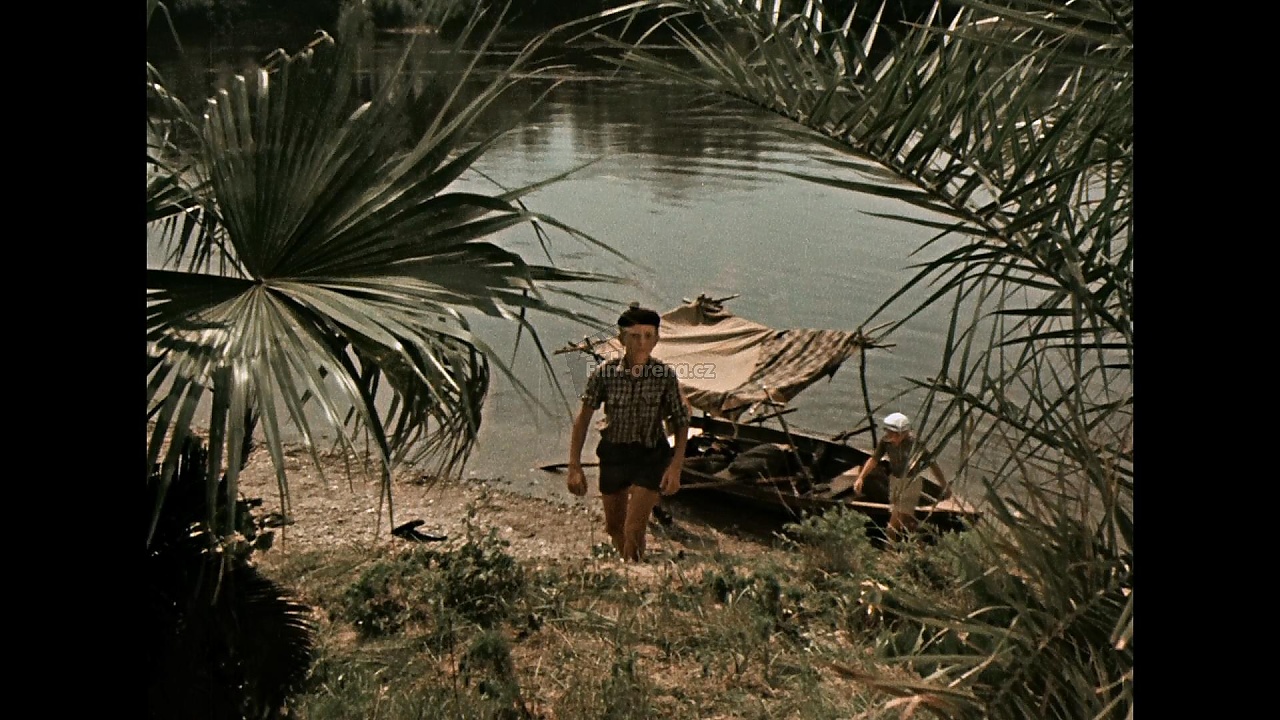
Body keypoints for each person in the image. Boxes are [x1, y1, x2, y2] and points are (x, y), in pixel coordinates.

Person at [566, 305, 690, 561]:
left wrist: (675, 467)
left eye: (648, 336)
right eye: (634, 336)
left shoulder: (664, 377)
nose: (641, 342)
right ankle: (628, 564)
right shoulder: (605, 374)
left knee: (634, 528)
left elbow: (680, 421)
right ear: (622, 339)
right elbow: (583, 419)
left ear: (656, 339)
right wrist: (574, 466)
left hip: (651, 455)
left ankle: (632, 567)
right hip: (614, 453)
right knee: (614, 527)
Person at [853, 412, 949, 543]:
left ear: (902, 433)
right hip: (895, 482)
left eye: (892, 433)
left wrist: (944, 485)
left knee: (891, 527)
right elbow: (874, 459)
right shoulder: (886, 442)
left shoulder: (915, 444)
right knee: (907, 523)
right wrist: (861, 477)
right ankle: (919, 544)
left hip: (910, 484)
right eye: (888, 432)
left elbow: (932, 464)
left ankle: (889, 551)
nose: (889, 436)